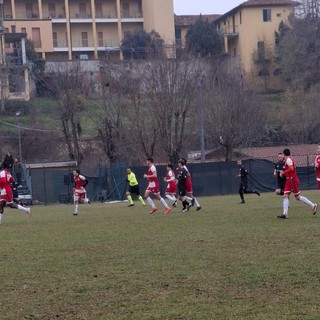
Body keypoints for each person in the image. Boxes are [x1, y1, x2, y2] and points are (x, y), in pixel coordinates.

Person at [278, 148, 317, 219]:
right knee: (285, 195)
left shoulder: (289, 160)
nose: (282, 156)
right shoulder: (288, 160)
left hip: (292, 180)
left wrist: (283, 173)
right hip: (289, 180)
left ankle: (313, 205)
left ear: (284, 154)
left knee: (298, 197)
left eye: (282, 154)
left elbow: (291, 169)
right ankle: (285, 213)